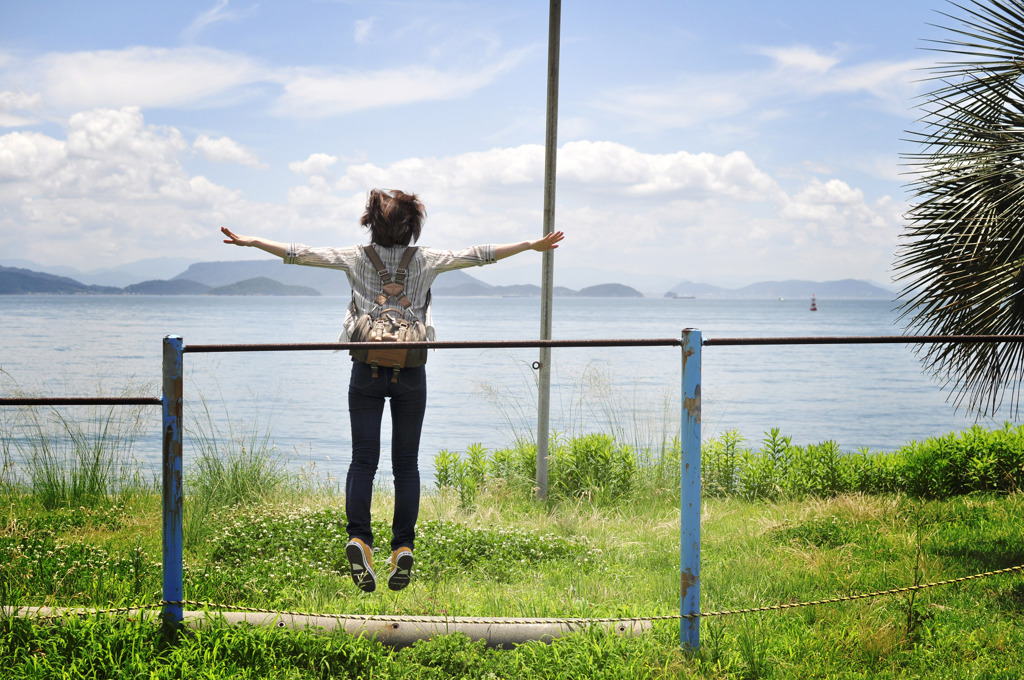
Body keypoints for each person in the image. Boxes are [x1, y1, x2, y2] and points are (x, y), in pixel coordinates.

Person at [221, 188, 563, 593]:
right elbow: (479, 253)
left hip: (365, 369)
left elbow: (301, 252)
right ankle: (402, 545)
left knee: (362, 460)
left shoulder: (353, 258)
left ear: (371, 221)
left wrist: (254, 241)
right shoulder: (427, 260)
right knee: (407, 464)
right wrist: (530, 244)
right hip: (411, 372)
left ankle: (359, 538)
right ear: (413, 225)